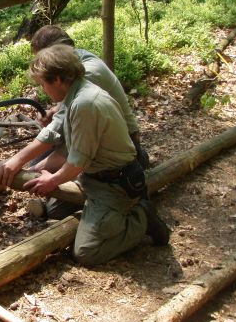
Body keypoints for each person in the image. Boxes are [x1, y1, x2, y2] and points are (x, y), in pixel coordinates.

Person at [0, 45, 169, 266]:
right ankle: (103, 216)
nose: (42, 90)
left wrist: (53, 179)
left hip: (114, 184)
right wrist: (21, 161)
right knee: (55, 211)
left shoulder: (85, 104)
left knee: (86, 252)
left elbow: (76, 162)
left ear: (57, 79)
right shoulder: (74, 94)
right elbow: (54, 134)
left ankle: (141, 218)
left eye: (43, 84)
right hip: (93, 178)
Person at [27, 25, 149, 218]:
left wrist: (33, 172)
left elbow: (75, 150)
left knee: (54, 209)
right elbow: (61, 122)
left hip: (110, 157)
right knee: (38, 162)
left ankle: (137, 169)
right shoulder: (76, 65)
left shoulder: (87, 78)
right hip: (92, 144)